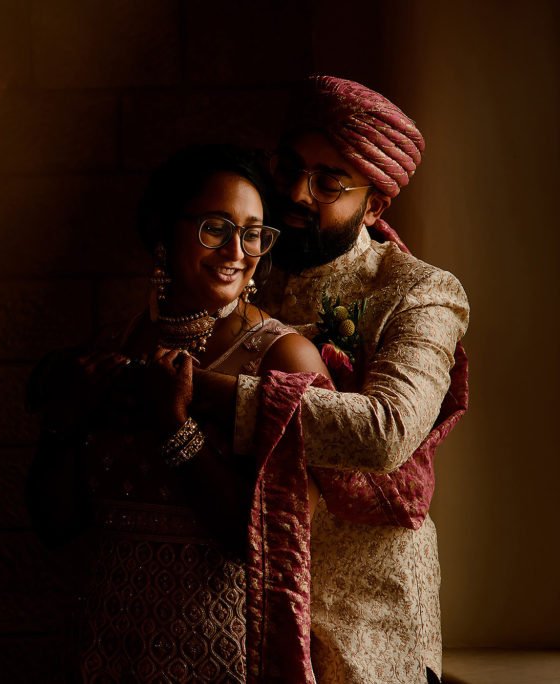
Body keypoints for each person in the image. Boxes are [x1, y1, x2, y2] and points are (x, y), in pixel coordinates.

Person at [199, 76, 470, 684]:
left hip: (367, 615)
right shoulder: (244, 263)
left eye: (328, 183)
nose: (296, 193)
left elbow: (385, 433)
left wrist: (206, 394)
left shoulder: (419, 292)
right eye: (290, 168)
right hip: (240, 592)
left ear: (374, 206)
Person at [26, 144, 330, 683]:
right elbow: (56, 526)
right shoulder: (116, 343)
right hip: (106, 644)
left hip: (220, 652)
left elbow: (271, 545)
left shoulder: (282, 360)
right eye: (216, 227)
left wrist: (176, 430)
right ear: (163, 232)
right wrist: (63, 426)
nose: (238, 250)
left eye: (254, 232)